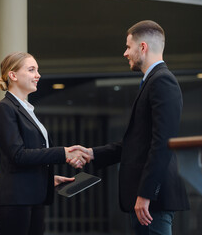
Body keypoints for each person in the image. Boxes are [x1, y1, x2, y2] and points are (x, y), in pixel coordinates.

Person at [78, 20, 190, 235]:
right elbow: (137, 142)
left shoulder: (162, 81)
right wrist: (92, 153)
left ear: (143, 47)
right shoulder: (152, 82)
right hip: (147, 201)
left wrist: (147, 193)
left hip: (151, 202)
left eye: (128, 47)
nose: (125, 53)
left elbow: (162, 143)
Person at [0, 51, 90, 235]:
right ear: (12, 75)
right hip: (15, 201)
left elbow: (31, 155)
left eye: (37, 70)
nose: (38, 75)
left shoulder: (27, 110)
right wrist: (63, 153)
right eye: (31, 70)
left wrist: (47, 179)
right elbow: (18, 155)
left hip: (33, 197)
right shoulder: (4, 109)